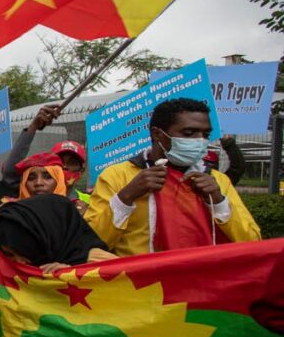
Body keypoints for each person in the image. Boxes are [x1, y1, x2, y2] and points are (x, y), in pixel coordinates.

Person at [86, 98, 260, 256]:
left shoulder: (218, 180)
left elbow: (253, 243)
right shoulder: (117, 176)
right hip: (140, 286)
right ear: (157, 134)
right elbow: (91, 244)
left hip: (202, 285)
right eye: (189, 133)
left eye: (205, 134)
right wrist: (126, 197)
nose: (200, 140)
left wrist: (218, 200)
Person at [0, 194, 116, 273]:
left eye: (28, 254)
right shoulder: (4, 260)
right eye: (9, 254)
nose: (18, 263)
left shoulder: (103, 265)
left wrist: (75, 276)